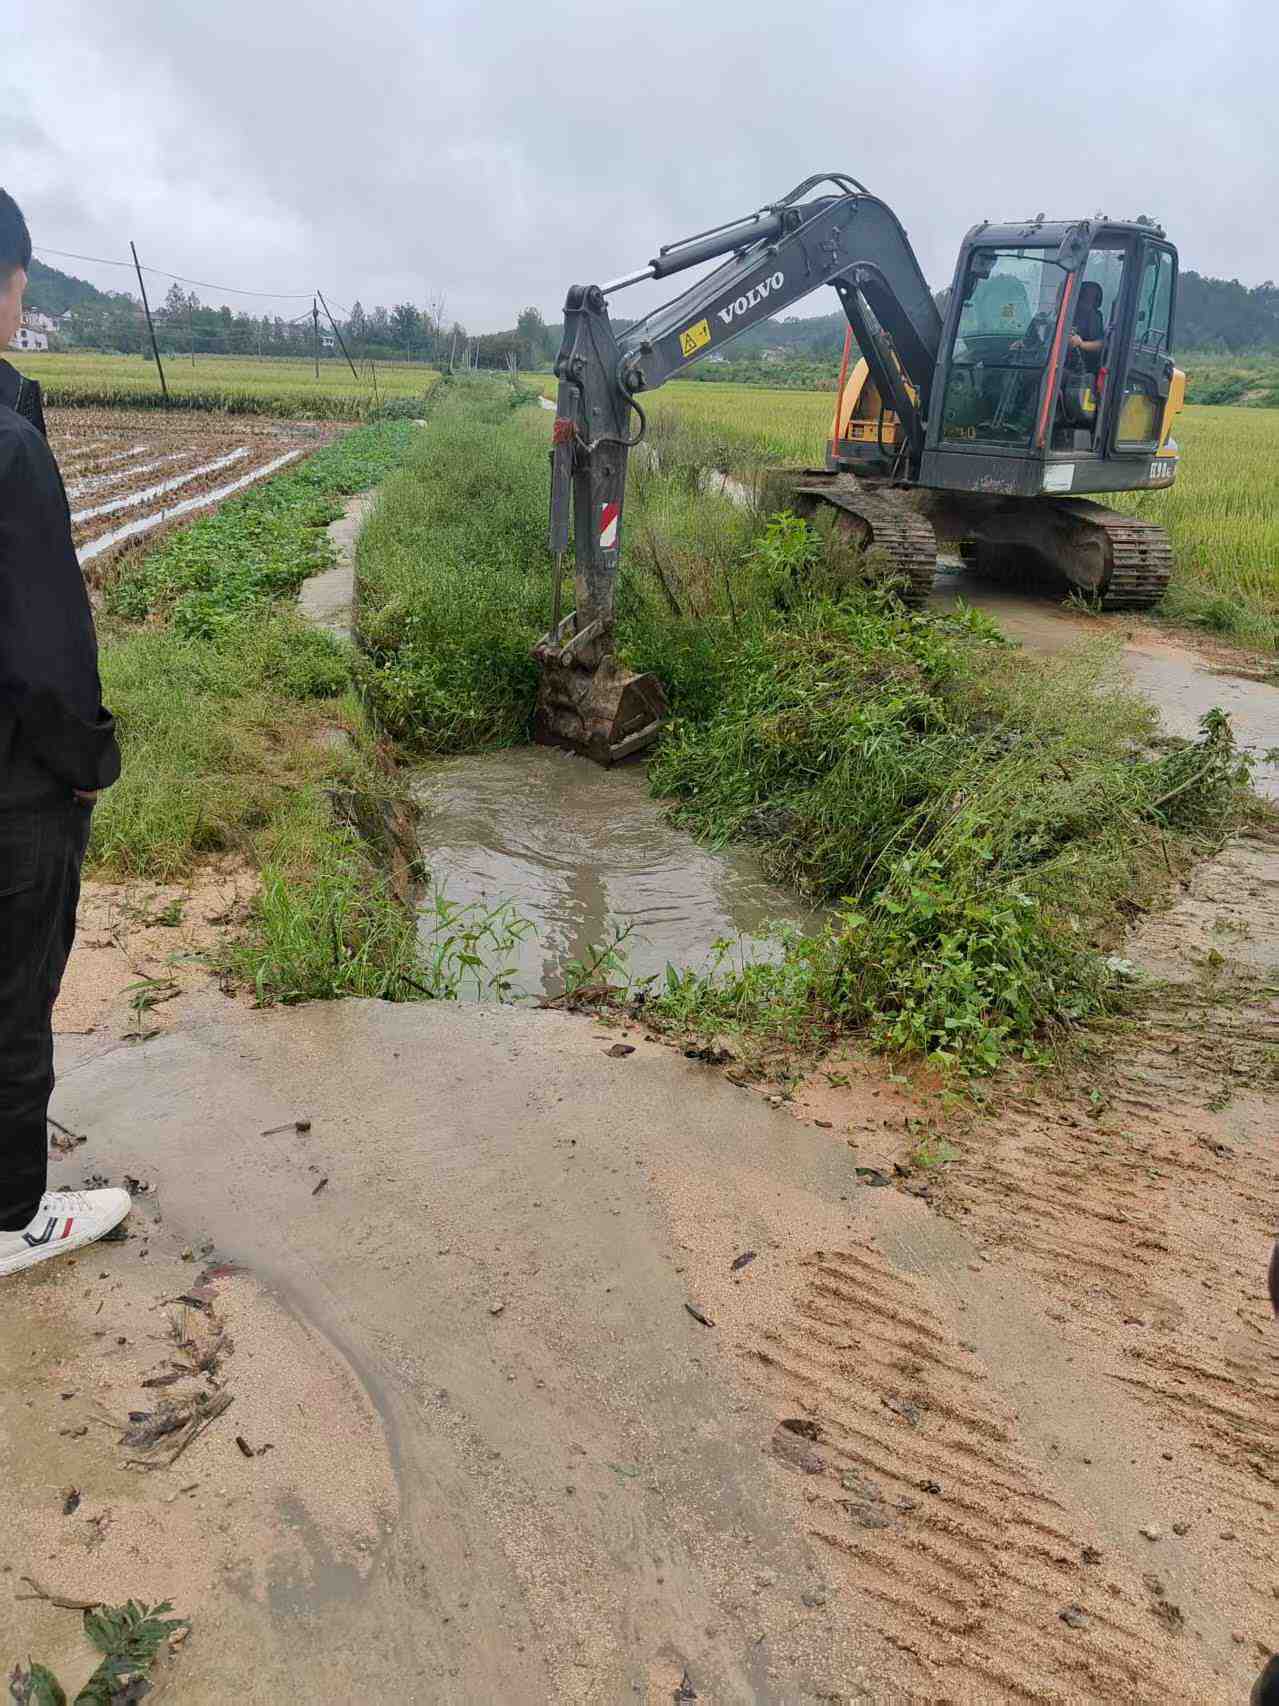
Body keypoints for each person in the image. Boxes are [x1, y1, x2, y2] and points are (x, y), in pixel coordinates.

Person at [0, 187, 130, 1277]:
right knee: (13, 994)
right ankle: (13, 1219)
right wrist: (88, 762)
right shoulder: (9, 449)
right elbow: (47, 646)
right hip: (12, 788)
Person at [1069, 280, 1106, 373]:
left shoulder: (1094, 316)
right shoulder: (1072, 313)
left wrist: (1081, 344)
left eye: (1088, 298)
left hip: (1085, 367)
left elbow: (1101, 344)